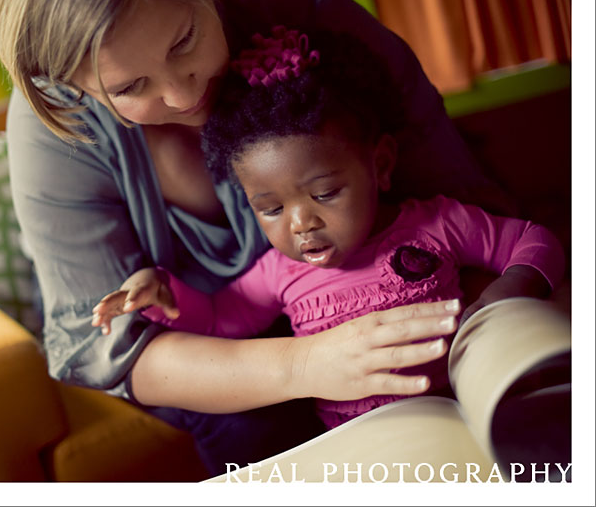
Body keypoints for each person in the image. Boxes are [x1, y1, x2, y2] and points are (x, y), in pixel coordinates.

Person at [0, 0, 513, 475]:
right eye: (130, 86)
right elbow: (108, 348)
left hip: (384, 302)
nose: (183, 95)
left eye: (185, 40)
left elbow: (464, 205)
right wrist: (308, 363)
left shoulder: (302, 10)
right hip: (212, 368)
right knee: (251, 432)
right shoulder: (57, 127)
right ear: (69, 84)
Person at [90, 27, 566, 430]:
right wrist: (163, 292)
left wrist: (514, 285)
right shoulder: (278, 272)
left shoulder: (436, 222)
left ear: (380, 164)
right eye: (270, 208)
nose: (301, 222)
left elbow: (534, 239)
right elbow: (219, 316)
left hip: (471, 413)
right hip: (360, 446)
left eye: (324, 194)